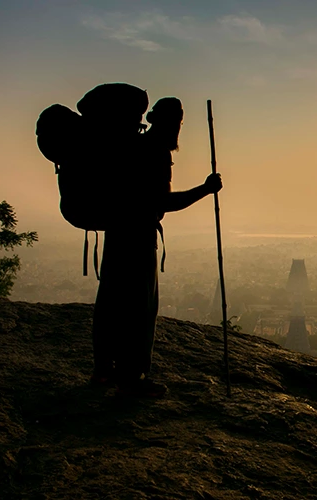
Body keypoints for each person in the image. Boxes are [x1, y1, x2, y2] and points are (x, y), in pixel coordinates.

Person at [91, 96, 222, 397]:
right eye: (175, 123)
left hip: (117, 233)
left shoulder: (131, 146)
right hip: (138, 237)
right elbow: (163, 202)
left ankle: (103, 369)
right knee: (140, 308)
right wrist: (205, 189)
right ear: (163, 122)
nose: (177, 130)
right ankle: (131, 378)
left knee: (111, 301)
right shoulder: (156, 153)